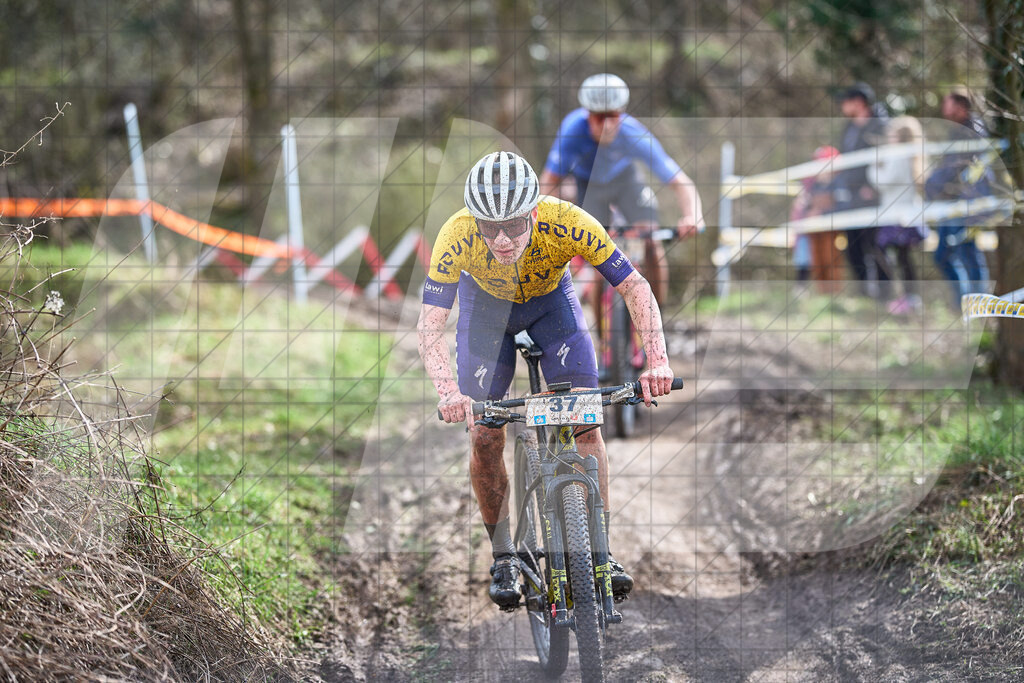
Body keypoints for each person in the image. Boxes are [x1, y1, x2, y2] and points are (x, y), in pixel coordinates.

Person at [417, 151, 675, 608]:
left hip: (551, 306)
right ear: (473, 220)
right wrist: (449, 393)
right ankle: (503, 556)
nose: (499, 239)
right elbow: (430, 325)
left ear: (535, 212)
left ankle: (600, 552)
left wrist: (656, 361)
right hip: (486, 316)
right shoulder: (455, 234)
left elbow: (634, 286)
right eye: (488, 226)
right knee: (483, 433)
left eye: (513, 225)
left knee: (586, 421)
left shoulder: (568, 221)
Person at [538, 73, 704, 303]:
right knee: (597, 255)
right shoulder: (572, 131)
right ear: (588, 116)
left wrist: (693, 216)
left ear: (621, 114)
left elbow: (680, 182)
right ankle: (603, 337)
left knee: (652, 245)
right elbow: (549, 181)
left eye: (613, 116)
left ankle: (657, 322)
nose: (606, 125)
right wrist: (547, 221)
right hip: (590, 186)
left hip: (626, 181)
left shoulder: (634, 134)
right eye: (599, 118)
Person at [927, 87, 991, 310]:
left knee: (966, 253)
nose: (944, 108)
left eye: (948, 103)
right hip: (952, 204)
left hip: (965, 204)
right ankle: (967, 303)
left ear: (961, 106)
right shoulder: (958, 131)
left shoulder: (972, 132)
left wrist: (932, 183)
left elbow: (957, 169)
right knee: (946, 254)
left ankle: (977, 306)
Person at [834, 82, 893, 299]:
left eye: (846, 101)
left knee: (877, 247)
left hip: (874, 198)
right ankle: (864, 293)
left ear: (858, 102)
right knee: (853, 247)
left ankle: (885, 294)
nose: (842, 106)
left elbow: (887, 159)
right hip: (850, 197)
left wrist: (873, 187)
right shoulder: (849, 128)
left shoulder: (882, 125)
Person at [869, 116, 929, 315]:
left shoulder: (898, 155)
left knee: (891, 255)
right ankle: (908, 298)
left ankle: (904, 298)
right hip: (906, 213)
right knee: (903, 258)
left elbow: (884, 181)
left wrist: (873, 167)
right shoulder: (910, 155)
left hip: (896, 215)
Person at [789, 145, 844, 294]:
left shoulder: (838, 185)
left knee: (830, 260)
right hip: (813, 231)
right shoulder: (812, 186)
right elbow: (804, 207)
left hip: (831, 231)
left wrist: (822, 212)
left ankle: (834, 292)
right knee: (813, 259)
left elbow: (840, 206)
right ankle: (820, 291)